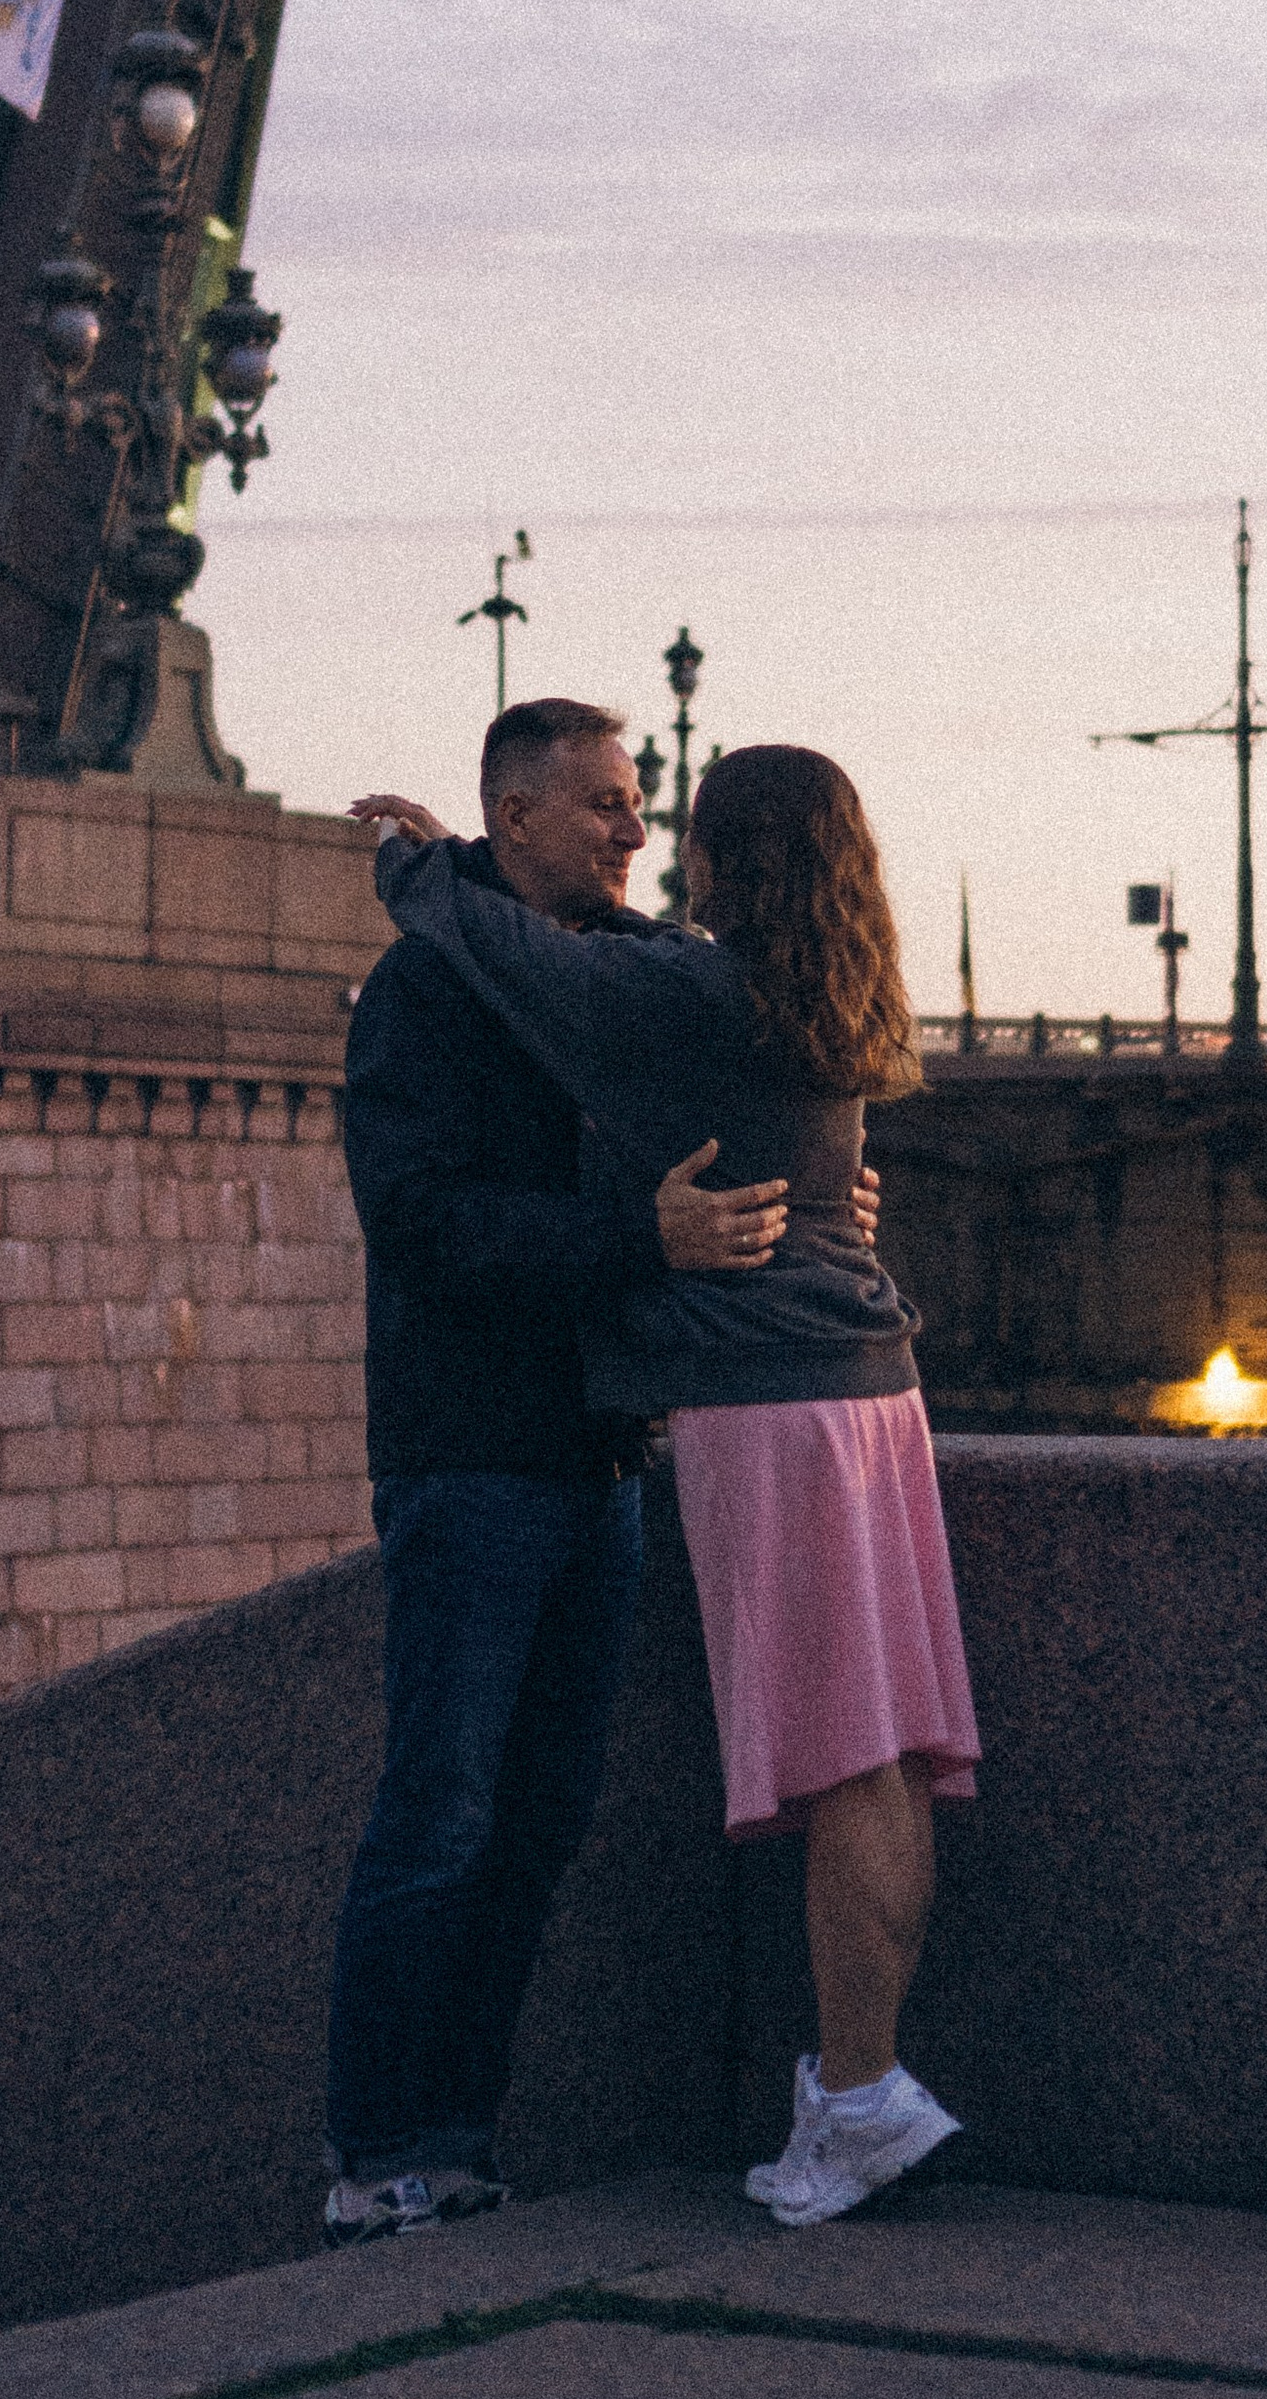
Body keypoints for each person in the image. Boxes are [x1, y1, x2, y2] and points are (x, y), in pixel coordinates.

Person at [357, 739, 979, 2230]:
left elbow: (518, 948)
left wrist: (416, 862)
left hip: (767, 1406)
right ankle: (862, 2087)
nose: (653, 838)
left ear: (730, 857)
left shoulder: (687, 997)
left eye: (678, 823)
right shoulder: (825, 993)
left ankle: (855, 2098)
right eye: (619, 807)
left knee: (840, 1755)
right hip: (875, 1398)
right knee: (885, 1753)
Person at [324, 698, 806, 2246]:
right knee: (439, 1817)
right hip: (472, 1462)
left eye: (638, 804)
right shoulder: (420, 997)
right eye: (602, 804)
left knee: (537, 1824)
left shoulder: (607, 981)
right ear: (513, 817)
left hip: (602, 1459)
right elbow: (424, 1227)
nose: (632, 831)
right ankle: (375, 2159)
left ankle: (458, 2144)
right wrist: (632, 1238)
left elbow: (735, 1105)